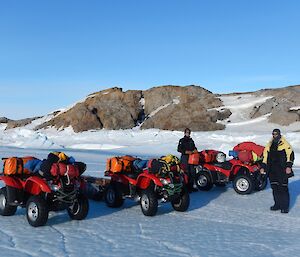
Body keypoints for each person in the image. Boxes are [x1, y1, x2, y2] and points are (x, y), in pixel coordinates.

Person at [260, 129, 295, 213]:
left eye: (276, 134)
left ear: (279, 134)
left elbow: (290, 155)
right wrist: (263, 166)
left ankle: (284, 206)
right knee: (275, 187)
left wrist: (288, 166)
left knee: (283, 188)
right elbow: (265, 156)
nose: (275, 135)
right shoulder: (269, 144)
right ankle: (277, 204)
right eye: (273, 134)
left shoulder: (285, 144)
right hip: (272, 170)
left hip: (282, 169)